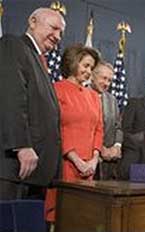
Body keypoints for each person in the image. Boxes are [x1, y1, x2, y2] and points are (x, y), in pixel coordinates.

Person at [0, 8, 65, 200]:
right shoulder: (12, 45)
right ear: (33, 21)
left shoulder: (38, 59)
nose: (57, 36)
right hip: (15, 168)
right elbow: (10, 97)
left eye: (60, 32)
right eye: (53, 28)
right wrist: (22, 146)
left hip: (34, 173)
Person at [45, 44, 102, 222]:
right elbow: (57, 127)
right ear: (72, 63)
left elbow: (98, 129)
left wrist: (94, 159)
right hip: (65, 164)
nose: (88, 71)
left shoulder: (93, 96)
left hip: (89, 168)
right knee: (63, 214)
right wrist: (76, 160)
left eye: (91, 68)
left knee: (84, 216)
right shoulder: (56, 89)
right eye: (85, 65)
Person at [90, 61, 123, 180]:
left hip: (108, 164)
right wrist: (99, 148)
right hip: (87, 161)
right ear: (92, 76)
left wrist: (117, 146)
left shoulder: (112, 100)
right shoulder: (81, 94)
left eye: (109, 80)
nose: (106, 83)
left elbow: (118, 127)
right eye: (103, 78)